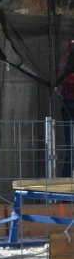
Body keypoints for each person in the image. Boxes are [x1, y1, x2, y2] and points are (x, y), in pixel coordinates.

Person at [58, 40, 74, 177]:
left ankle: (66, 195)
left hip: (69, 104)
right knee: (72, 152)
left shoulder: (70, 47)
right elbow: (63, 76)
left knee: (72, 151)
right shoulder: (71, 47)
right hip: (70, 105)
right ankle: (66, 195)